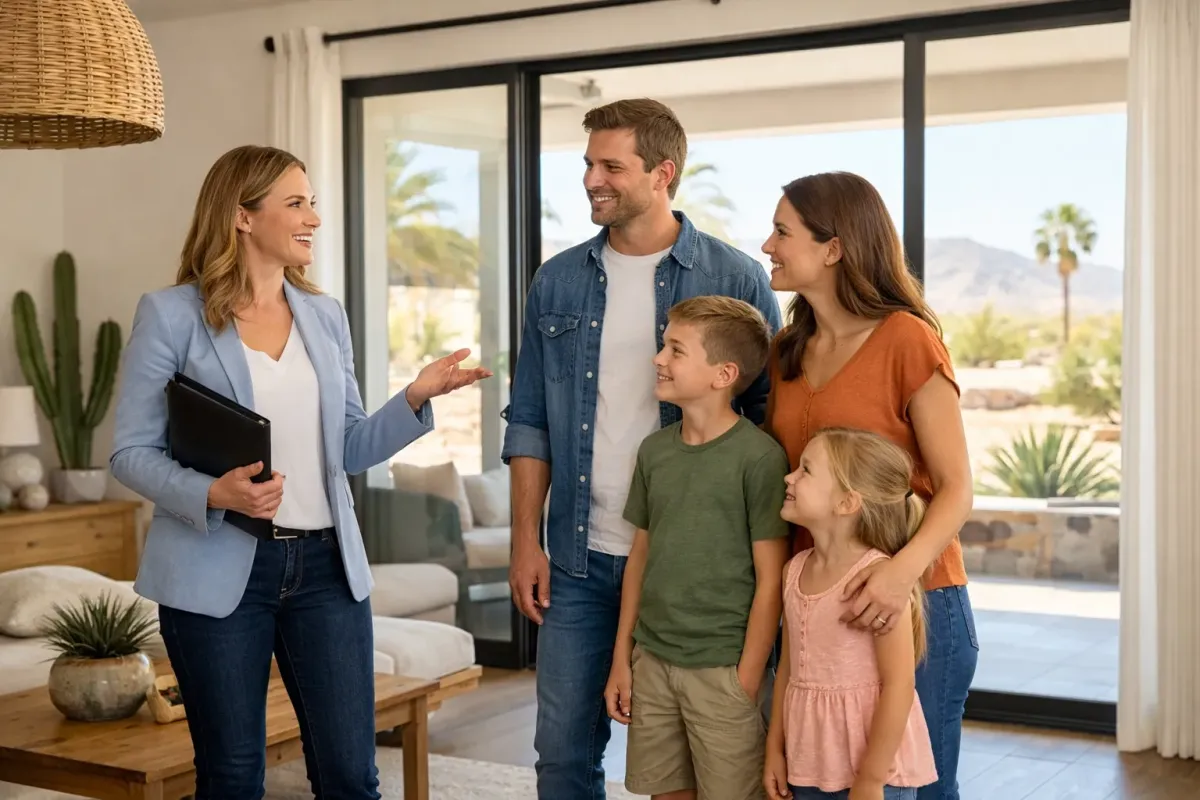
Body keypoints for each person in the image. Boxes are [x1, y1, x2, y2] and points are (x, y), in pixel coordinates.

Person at [109, 144, 490, 800]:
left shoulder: (323, 315)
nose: (313, 216)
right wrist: (213, 492)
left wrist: (415, 398)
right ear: (242, 216)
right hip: (217, 574)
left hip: (326, 573)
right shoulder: (171, 314)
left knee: (351, 775)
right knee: (232, 777)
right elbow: (128, 453)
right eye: (296, 203)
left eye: (312, 201)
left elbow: (348, 449)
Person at [503, 98, 783, 799]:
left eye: (611, 165)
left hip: (695, 568)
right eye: (588, 164)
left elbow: (765, 420)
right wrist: (524, 541)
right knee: (563, 754)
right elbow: (530, 417)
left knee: (704, 762)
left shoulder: (736, 277)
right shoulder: (557, 280)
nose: (593, 178)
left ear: (663, 173)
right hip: (577, 556)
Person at [762, 171, 976, 800]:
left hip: (915, 600)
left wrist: (898, 573)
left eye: (782, 231)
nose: (768, 245)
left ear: (835, 248)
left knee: (914, 790)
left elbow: (957, 487)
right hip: (819, 606)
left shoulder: (907, 339)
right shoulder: (786, 353)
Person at [604, 296, 791, 800]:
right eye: (664, 344)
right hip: (654, 662)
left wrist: (747, 679)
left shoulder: (760, 459)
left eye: (676, 349)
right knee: (664, 793)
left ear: (723, 373)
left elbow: (771, 579)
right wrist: (624, 658)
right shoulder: (655, 452)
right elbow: (639, 559)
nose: (658, 358)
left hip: (723, 672)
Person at [763, 427, 938, 800]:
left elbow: (899, 686)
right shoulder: (793, 571)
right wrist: (774, 751)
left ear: (846, 502)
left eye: (806, 470)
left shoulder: (878, 583)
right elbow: (788, 672)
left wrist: (871, 779)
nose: (789, 476)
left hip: (875, 773)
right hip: (808, 764)